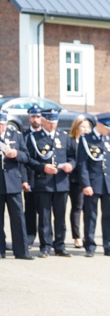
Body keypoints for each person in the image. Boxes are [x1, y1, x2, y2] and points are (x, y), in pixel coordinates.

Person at [28, 109, 75, 257]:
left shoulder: (64, 136)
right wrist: (43, 167)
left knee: (60, 217)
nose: (52, 125)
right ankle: (45, 246)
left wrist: (71, 165)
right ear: (43, 121)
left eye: (54, 121)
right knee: (44, 216)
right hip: (43, 183)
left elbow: (72, 156)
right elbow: (29, 160)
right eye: (49, 121)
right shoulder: (34, 138)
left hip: (61, 182)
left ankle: (60, 245)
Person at [77, 112, 110, 257]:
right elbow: (82, 164)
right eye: (107, 126)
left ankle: (108, 246)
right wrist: (86, 184)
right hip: (93, 184)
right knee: (90, 216)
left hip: (109, 184)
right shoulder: (86, 139)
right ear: (99, 124)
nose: (109, 129)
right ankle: (90, 246)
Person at [0, 111, 33, 259]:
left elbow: (26, 157)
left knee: (18, 218)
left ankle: (21, 251)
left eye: (1, 124)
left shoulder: (16, 135)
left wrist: (16, 154)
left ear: (5, 124)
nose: (0, 127)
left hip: (13, 182)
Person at [68, 116, 91, 248]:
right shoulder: (71, 142)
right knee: (77, 207)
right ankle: (77, 236)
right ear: (76, 128)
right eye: (83, 127)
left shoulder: (90, 141)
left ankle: (88, 236)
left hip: (88, 181)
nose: (85, 130)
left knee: (88, 209)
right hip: (75, 180)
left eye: (87, 127)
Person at [22, 106, 43, 248]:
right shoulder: (23, 135)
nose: (35, 119)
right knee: (30, 209)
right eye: (33, 117)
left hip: (45, 177)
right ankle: (29, 237)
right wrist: (24, 179)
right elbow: (23, 161)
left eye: (38, 116)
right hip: (30, 177)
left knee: (45, 211)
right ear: (29, 118)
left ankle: (46, 239)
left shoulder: (45, 134)